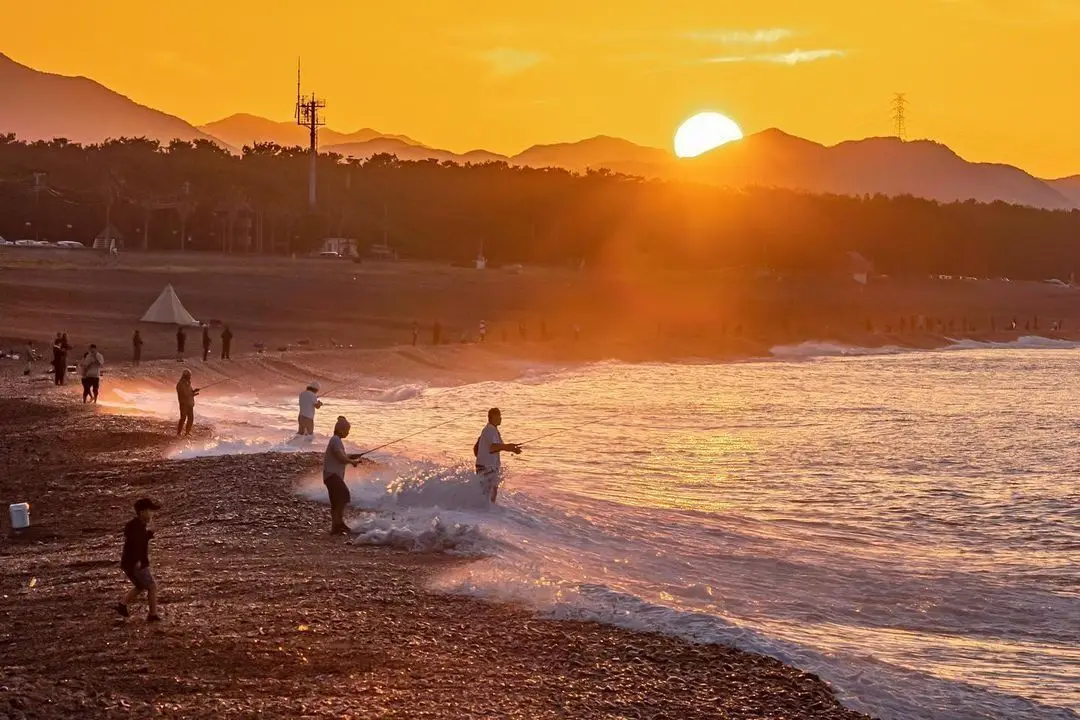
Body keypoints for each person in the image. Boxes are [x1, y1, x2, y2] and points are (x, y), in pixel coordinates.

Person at [115, 497, 162, 623]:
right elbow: (136, 544)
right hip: (135, 563)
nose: (152, 514)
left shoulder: (137, 526)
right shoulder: (136, 527)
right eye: (150, 510)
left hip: (129, 563)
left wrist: (148, 535)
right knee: (152, 587)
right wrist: (138, 561)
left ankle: (122, 604)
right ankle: (152, 615)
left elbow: (137, 541)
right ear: (142, 512)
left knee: (140, 585)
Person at [473, 407, 521, 503]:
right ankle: (487, 512)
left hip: (487, 467)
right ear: (493, 417)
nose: (501, 418)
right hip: (486, 467)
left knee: (490, 492)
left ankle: (485, 511)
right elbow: (493, 447)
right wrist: (509, 447)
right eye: (499, 416)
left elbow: (500, 446)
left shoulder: (493, 430)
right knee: (490, 493)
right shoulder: (490, 429)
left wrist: (512, 449)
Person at [323, 416, 362, 534]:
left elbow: (340, 456)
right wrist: (351, 462)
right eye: (347, 430)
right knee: (344, 496)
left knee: (336, 500)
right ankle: (338, 523)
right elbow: (340, 457)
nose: (348, 433)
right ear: (341, 430)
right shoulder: (335, 440)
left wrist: (350, 457)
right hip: (332, 475)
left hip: (331, 475)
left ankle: (337, 525)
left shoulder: (336, 440)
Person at [176, 369, 199, 436]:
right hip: (184, 404)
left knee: (191, 418)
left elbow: (189, 393)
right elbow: (186, 394)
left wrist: (194, 392)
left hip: (189, 404)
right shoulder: (180, 384)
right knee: (183, 418)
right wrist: (193, 393)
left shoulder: (187, 383)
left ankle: (187, 433)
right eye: (189, 375)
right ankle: (179, 433)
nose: (190, 377)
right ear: (185, 376)